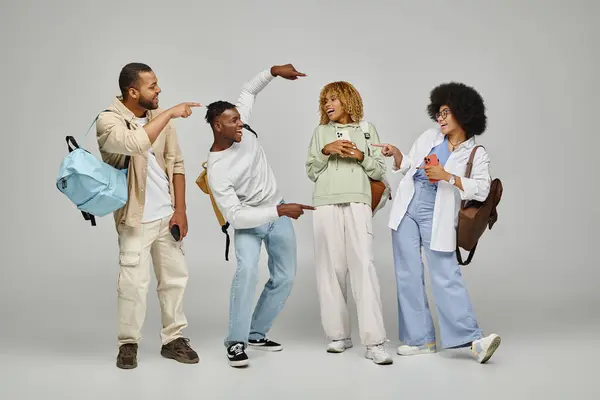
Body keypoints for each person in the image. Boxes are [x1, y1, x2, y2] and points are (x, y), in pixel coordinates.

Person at [374, 82, 501, 364]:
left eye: (445, 113)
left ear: (463, 114)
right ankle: (420, 340)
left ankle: (473, 340)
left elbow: (482, 188)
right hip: (408, 206)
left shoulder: (475, 154)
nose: (439, 118)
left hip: (437, 212)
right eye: (438, 113)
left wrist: (448, 177)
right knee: (407, 274)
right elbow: (411, 164)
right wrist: (398, 155)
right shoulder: (429, 136)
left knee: (445, 274)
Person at [205, 63, 314, 368]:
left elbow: (249, 90)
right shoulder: (218, 169)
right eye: (233, 121)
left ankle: (256, 333)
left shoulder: (242, 128)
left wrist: (274, 71)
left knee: (285, 277)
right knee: (248, 273)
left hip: (277, 209)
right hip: (251, 222)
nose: (240, 124)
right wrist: (278, 211)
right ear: (218, 126)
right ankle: (236, 342)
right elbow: (236, 217)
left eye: (240, 118)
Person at [96, 62, 201, 369]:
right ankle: (128, 344)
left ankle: (173, 339)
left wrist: (180, 210)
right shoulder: (109, 120)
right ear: (132, 91)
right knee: (133, 285)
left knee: (174, 280)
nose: (159, 91)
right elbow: (134, 143)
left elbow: (177, 164)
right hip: (134, 219)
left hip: (166, 216)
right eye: (152, 86)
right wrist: (169, 113)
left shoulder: (159, 118)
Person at [305, 81, 393, 365]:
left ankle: (375, 342)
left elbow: (380, 169)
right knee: (330, 270)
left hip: (358, 201)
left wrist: (359, 155)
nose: (328, 105)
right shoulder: (320, 132)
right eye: (325, 101)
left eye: (333, 99)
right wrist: (326, 150)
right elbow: (311, 170)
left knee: (363, 267)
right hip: (325, 202)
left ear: (347, 100)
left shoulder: (367, 129)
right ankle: (338, 335)